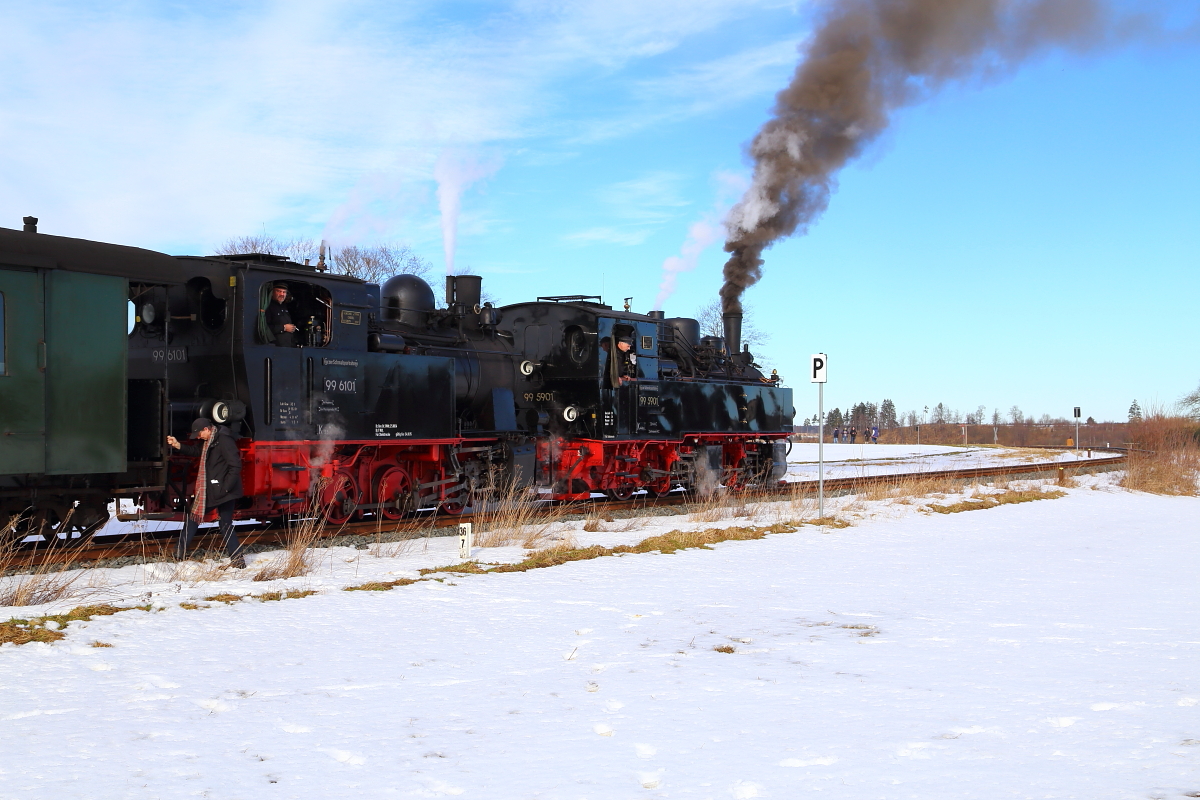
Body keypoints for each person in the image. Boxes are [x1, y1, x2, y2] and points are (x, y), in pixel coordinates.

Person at [167, 418, 246, 568]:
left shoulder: (224, 440)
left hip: (223, 491)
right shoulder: (210, 441)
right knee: (218, 522)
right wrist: (178, 445)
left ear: (207, 429)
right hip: (214, 489)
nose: (198, 437)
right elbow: (196, 451)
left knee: (217, 522)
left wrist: (226, 488)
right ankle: (238, 560)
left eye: (199, 434)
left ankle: (179, 551)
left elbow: (235, 465)